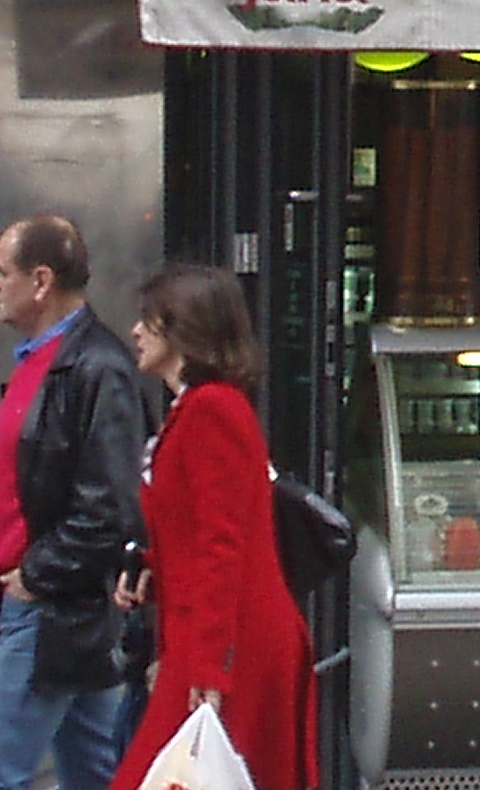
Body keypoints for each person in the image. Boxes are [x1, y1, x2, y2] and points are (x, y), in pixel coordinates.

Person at [107, 264, 316, 790]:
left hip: (230, 644)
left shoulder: (211, 411)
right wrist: (153, 571)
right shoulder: (199, 408)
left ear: (182, 328)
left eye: (148, 320)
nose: (136, 331)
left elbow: (222, 543)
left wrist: (208, 666)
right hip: (218, 638)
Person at [0, 214, 147, 790]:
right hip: (54, 606)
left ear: (40, 281)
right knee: (95, 770)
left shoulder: (95, 367)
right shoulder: (43, 361)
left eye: (2, 273)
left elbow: (108, 505)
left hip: (46, 607)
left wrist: (33, 577)